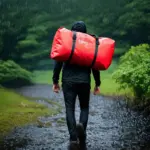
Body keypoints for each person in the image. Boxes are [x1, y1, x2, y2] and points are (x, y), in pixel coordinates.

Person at [52, 21, 101, 150]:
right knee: (84, 107)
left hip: (68, 81)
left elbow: (58, 62)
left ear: (72, 31)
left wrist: (55, 81)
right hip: (84, 81)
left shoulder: (68, 42)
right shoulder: (90, 44)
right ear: (85, 31)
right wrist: (97, 83)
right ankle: (82, 130)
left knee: (70, 109)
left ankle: (73, 138)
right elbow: (95, 65)